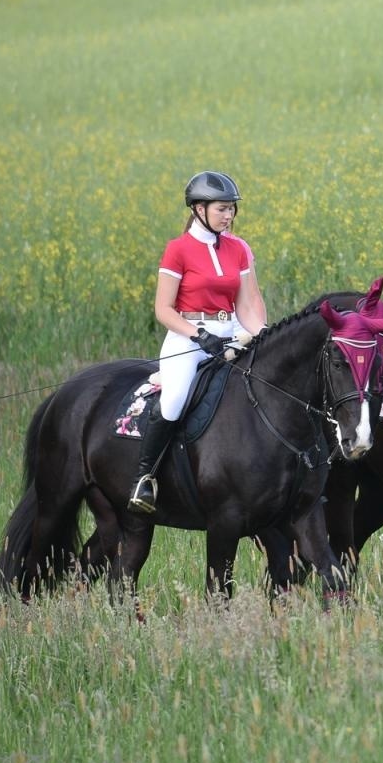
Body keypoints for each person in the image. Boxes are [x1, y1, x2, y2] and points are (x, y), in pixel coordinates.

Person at [128, 171, 268, 514]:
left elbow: (248, 304)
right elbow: (163, 308)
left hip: (232, 331)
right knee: (174, 400)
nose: (229, 215)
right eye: (222, 209)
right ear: (199, 208)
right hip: (187, 336)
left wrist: (262, 334)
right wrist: (199, 335)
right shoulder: (178, 250)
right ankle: (145, 480)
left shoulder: (238, 249)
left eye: (232, 209)